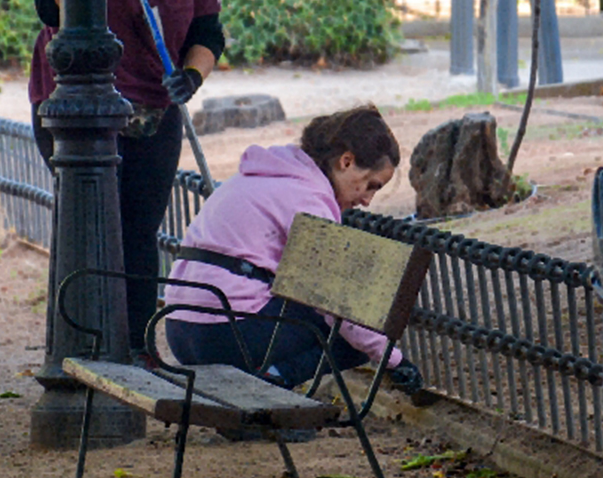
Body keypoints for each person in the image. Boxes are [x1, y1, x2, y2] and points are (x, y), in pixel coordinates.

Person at [28, 0, 225, 360]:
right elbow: (50, 4)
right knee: (94, 230)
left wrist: (191, 75)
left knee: (140, 234)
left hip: (154, 112)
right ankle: (88, 346)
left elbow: (208, 31)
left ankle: (138, 347)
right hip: (78, 110)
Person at [162, 105, 426, 395]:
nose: (367, 201)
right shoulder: (309, 203)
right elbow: (336, 305)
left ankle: (260, 387)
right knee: (359, 331)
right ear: (346, 161)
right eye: (370, 185)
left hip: (178, 329)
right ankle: (273, 381)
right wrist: (394, 360)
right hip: (224, 335)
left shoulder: (256, 175)